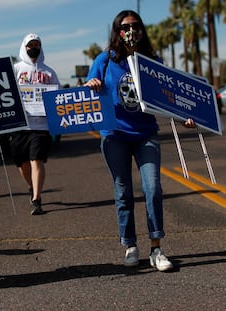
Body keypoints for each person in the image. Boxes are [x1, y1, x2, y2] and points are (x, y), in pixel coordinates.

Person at [85, 10, 196, 271]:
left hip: (145, 134)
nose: (131, 30)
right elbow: (90, 92)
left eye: (135, 25)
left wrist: (185, 118)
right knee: (123, 192)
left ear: (142, 29)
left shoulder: (151, 61)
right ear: (117, 30)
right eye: (126, 26)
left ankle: (157, 249)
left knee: (153, 188)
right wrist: (91, 84)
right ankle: (130, 245)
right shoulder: (105, 60)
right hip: (115, 136)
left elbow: (168, 97)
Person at [11, 33, 61, 215]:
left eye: (36, 44)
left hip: (41, 126)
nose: (33, 47)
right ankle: (32, 187)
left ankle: (36, 200)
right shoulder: (15, 69)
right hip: (20, 125)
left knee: (36, 160)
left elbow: (59, 97)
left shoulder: (49, 72)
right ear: (24, 47)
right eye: (30, 45)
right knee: (22, 163)